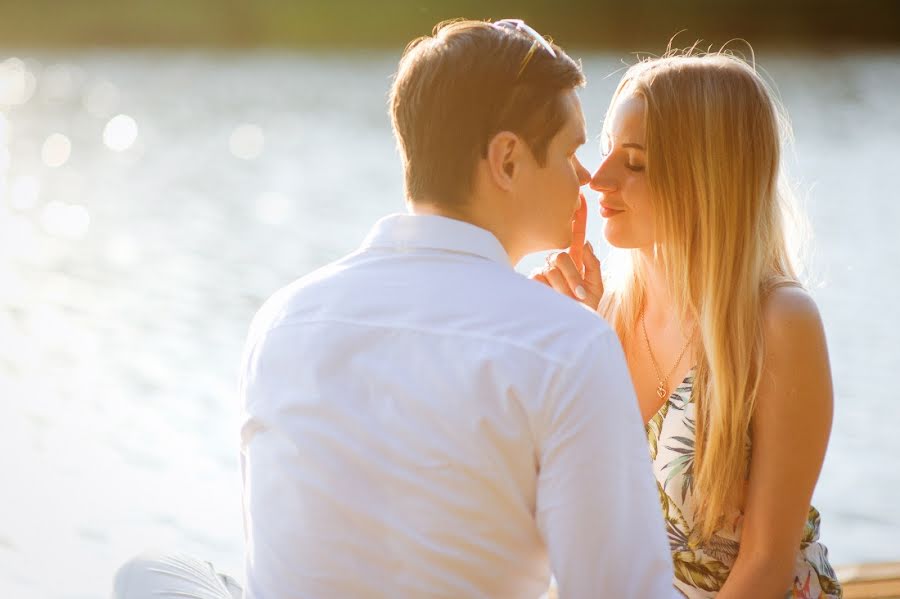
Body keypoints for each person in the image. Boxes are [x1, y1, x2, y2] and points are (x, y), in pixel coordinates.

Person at [112, 19, 677, 599]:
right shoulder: (569, 345)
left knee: (148, 573)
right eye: (571, 151)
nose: (585, 179)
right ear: (507, 161)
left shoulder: (282, 320)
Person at [535, 48, 841, 598]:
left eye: (635, 162)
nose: (597, 180)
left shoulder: (778, 323)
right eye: (606, 152)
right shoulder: (606, 317)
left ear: (708, 178)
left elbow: (766, 566)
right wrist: (570, 350)